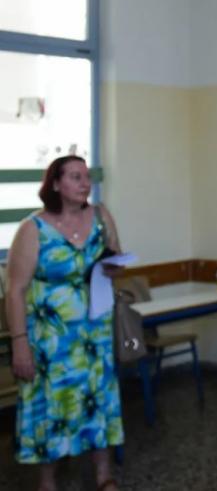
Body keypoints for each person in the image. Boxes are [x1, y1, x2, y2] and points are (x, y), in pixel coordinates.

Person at [4, 155, 123, 491]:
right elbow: (14, 290)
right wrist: (19, 343)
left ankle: (104, 477)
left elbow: (116, 257)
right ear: (55, 184)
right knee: (50, 407)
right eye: (75, 176)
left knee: (99, 402)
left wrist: (114, 265)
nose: (85, 183)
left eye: (86, 176)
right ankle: (47, 482)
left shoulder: (101, 216)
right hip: (50, 339)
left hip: (94, 334)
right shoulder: (33, 229)